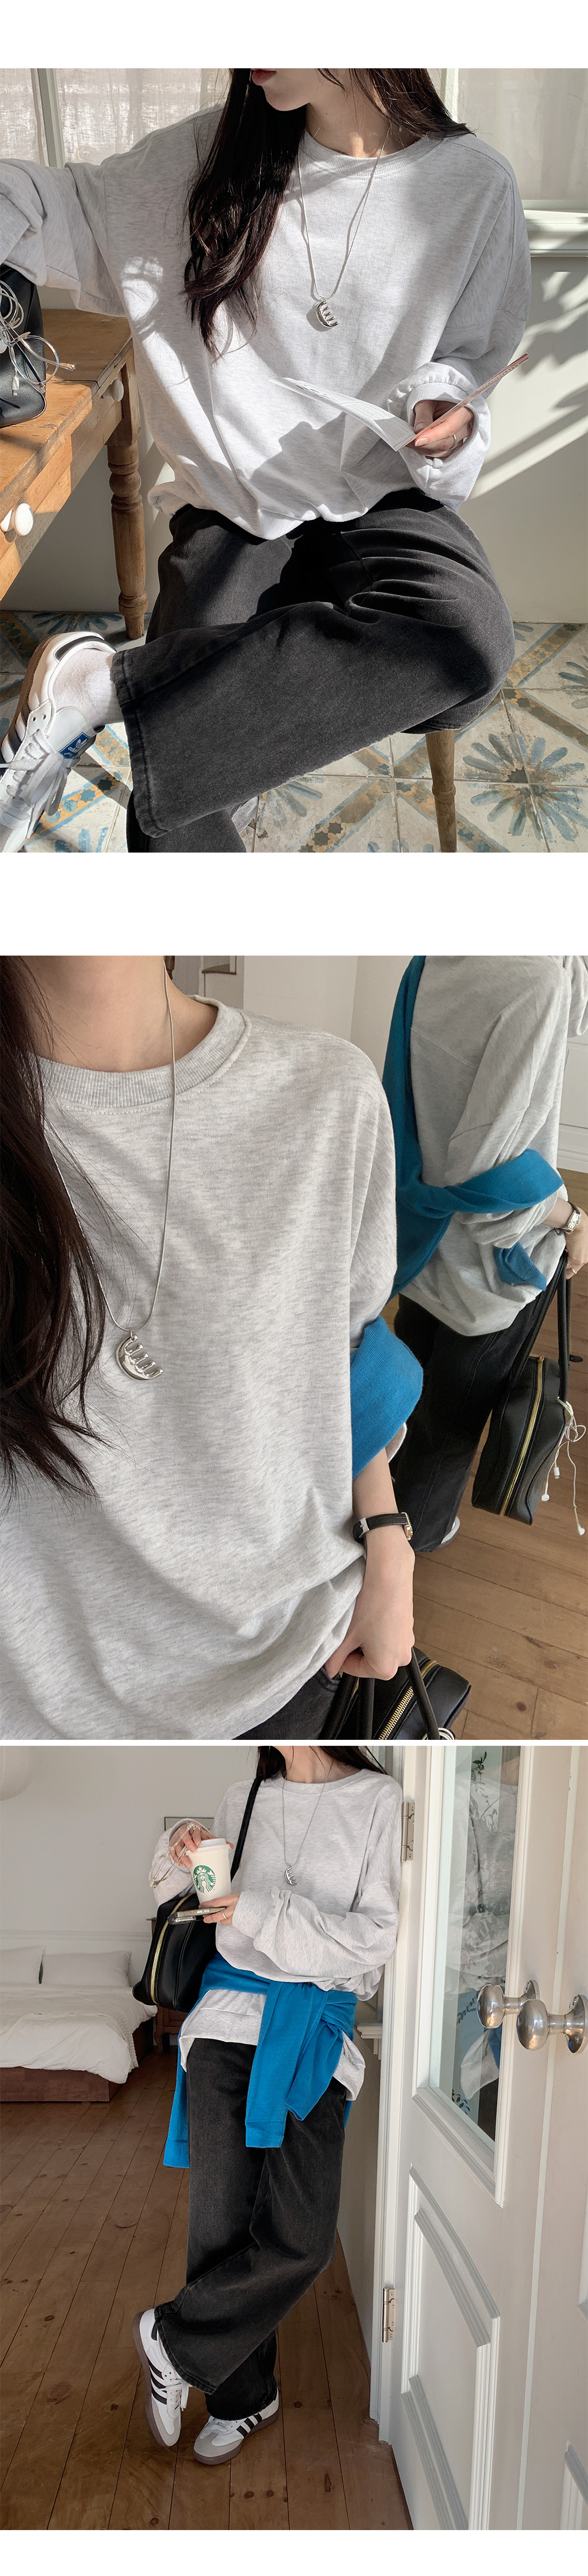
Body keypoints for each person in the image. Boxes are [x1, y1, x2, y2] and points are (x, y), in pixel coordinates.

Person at [0, 68, 528, 855]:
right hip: (232, 502)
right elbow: (44, 204)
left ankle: (96, 687)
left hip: (383, 496)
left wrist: (445, 411)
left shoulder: (475, 185)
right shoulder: (198, 162)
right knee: (182, 795)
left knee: (468, 636)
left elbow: (467, 359)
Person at [0, 954, 421, 1739]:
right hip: (41, 1720)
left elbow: (342, 1357)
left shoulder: (328, 1092)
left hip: (292, 1663)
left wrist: (388, 1535)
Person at [133, 1739, 402, 2462]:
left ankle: (172, 2339)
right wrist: (180, 1845)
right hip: (225, 2024)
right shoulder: (241, 1796)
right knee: (219, 2227)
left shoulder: (375, 1799)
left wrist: (258, 1910)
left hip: (311, 2030)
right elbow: (191, 1902)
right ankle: (243, 2398)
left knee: (302, 2236)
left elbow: (373, 1938)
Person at [382, 956, 588, 1549]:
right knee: (447, 1432)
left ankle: (385, 1509)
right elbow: (484, 1181)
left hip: (421, 1241)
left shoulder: (438, 955)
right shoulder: (537, 981)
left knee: (412, 1396)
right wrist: (573, 1220)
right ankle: (413, 1541)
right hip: (489, 1270)